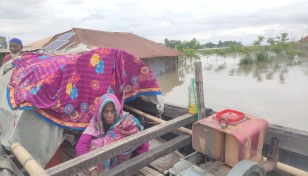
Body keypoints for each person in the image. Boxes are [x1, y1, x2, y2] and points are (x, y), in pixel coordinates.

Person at [76, 93, 150, 176]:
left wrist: (131, 166)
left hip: (122, 164)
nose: (109, 116)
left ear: (117, 110)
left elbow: (144, 146)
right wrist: (92, 169)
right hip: (100, 170)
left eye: (112, 111)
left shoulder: (127, 122)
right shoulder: (97, 121)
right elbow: (81, 145)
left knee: (102, 143)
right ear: (100, 112)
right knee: (94, 144)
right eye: (105, 112)